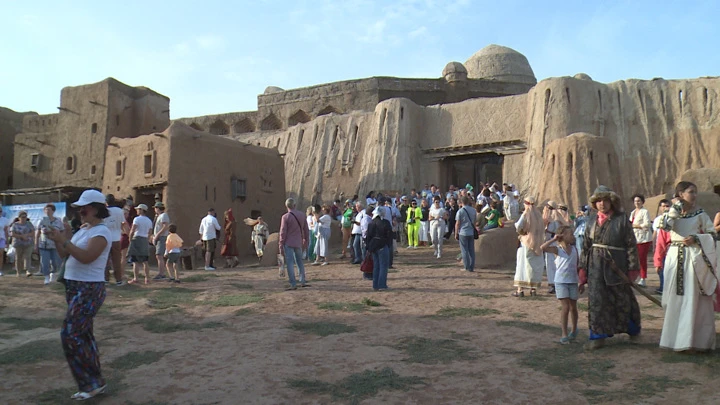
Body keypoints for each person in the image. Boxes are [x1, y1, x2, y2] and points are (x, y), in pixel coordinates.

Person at [46, 189, 112, 400]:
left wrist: (66, 241)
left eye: (83, 209)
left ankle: (89, 384)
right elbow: (65, 254)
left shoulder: (101, 232)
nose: (80, 212)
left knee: (71, 334)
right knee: (83, 335)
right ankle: (95, 382)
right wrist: (60, 239)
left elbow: (86, 257)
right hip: (74, 287)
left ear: (94, 208)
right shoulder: (85, 230)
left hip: (89, 288)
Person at [655, 182, 718, 351]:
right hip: (675, 257)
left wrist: (697, 238)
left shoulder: (700, 214)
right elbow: (665, 227)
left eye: (695, 192)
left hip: (693, 259)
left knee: (694, 298)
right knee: (674, 298)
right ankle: (673, 340)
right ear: (681, 194)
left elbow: (712, 234)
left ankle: (694, 342)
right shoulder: (672, 213)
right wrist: (674, 209)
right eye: (691, 192)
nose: (694, 195)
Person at [579, 185, 641, 350]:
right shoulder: (591, 220)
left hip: (617, 266)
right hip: (595, 268)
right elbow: (585, 247)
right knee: (597, 301)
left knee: (623, 300)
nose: (602, 204)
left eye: (605, 200)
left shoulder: (621, 219)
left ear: (612, 201)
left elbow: (631, 245)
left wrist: (633, 268)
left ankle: (633, 331)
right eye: (598, 201)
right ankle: (598, 336)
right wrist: (582, 270)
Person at [541, 225, 580, 344]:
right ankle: (564, 333)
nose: (572, 236)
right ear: (562, 236)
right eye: (570, 234)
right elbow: (543, 247)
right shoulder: (557, 249)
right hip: (561, 282)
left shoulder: (574, 249)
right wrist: (554, 239)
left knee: (574, 307)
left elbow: (577, 264)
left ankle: (573, 330)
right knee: (566, 307)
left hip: (573, 281)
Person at [512, 196, 546, 297]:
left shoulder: (526, 214)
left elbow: (518, 225)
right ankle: (533, 290)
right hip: (538, 244)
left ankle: (520, 290)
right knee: (534, 266)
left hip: (526, 243)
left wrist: (522, 232)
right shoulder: (538, 215)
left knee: (522, 266)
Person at [279, 198, 310, 290]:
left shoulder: (285, 217)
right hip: (298, 241)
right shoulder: (302, 215)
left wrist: (280, 244)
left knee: (290, 263)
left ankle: (293, 283)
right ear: (295, 205)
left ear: (286, 206)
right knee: (300, 262)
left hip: (288, 242)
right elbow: (306, 229)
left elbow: (283, 232)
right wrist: (306, 240)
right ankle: (302, 280)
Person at [35, 204, 65, 284]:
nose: (47, 211)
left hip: (55, 245)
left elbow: (62, 231)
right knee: (45, 261)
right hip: (44, 244)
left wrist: (61, 241)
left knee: (56, 262)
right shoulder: (41, 220)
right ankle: (46, 277)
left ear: (53, 211)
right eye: (46, 210)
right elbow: (37, 232)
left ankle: (53, 274)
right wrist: (36, 244)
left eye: (49, 209)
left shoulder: (58, 221)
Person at [366, 208, 392, 291]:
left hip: (373, 247)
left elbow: (368, 237)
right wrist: (388, 244)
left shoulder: (371, 223)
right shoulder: (385, 222)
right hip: (382, 245)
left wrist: (369, 248)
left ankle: (375, 285)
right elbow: (389, 235)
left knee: (376, 266)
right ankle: (382, 285)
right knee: (383, 266)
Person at [629, 194, 652, 287]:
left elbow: (647, 224)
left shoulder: (645, 212)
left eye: (638, 201)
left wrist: (635, 226)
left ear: (642, 202)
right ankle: (637, 276)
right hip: (635, 238)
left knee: (642, 258)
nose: (637, 203)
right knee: (635, 259)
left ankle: (643, 278)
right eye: (635, 201)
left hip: (644, 239)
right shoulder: (633, 212)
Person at [104, 195, 126, 285]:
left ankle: (106, 279)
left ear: (106, 202)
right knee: (116, 261)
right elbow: (122, 223)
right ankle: (118, 280)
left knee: (105, 260)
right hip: (116, 238)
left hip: (105, 238)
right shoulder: (120, 211)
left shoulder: (104, 211)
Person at [127, 204, 152, 284]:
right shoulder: (149, 220)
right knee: (145, 261)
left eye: (138, 209)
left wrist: (130, 239)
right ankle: (147, 278)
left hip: (137, 238)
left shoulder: (137, 219)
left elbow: (133, 230)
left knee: (135, 261)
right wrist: (147, 240)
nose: (137, 210)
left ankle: (136, 278)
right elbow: (150, 232)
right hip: (145, 239)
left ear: (141, 210)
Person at [652, 199, 671, 295]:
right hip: (662, 246)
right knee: (661, 268)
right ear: (660, 207)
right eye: (663, 206)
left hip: (672, 249)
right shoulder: (657, 220)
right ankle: (662, 287)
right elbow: (656, 234)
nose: (665, 208)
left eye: (667, 206)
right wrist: (654, 246)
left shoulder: (673, 219)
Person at [543, 201, 561, 294]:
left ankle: (552, 285)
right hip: (554, 243)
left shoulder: (552, 220)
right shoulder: (556, 218)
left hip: (551, 243)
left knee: (551, 265)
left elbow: (549, 234)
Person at [455, 196, 477, 272]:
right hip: (471, 232)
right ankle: (471, 267)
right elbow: (474, 222)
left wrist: (456, 233)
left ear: (461, 203)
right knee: (471, 250)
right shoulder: (473, 210)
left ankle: (466, 266)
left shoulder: (460, 211)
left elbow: (457, 223)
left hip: (463, 232)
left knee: (464, 250)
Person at [10, 211, 34, 277]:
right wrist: (21, 236)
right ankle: (18, 272)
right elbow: (12, 234)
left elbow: (32, 233)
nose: (24, 218)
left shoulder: (29, 224)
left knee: (27, 257)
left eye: (25, 217)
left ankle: (28, 270)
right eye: (22, 217)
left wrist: (26, 235)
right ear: (19, 217)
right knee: (18, 258)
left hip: (28, 243)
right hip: (18, 244)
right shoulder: (15, 225)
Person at [151, 202, 170, 280]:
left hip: (162, 237)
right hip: (159, 237)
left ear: (158, 208)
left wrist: (157, 235)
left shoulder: (163, 216)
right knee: (158, 255)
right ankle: (161, 273)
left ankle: (161, 274)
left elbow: (165, 226)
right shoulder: (159, 216)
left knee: (159, 255)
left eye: (155, 208)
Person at [0, 206, 9, 276]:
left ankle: (0, 270)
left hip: (1, 239)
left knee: (1, 254)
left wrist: (7, 241)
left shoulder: (5, 220)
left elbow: (6, 231)